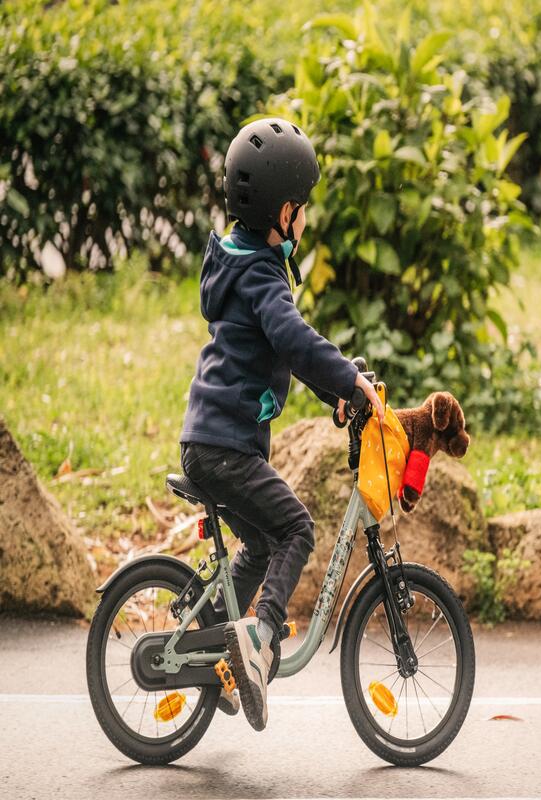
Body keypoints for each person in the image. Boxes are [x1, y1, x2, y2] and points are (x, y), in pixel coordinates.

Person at [178, 117, 384, 732]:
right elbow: (294, 338)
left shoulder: (240, 263)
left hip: (211, 442)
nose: (304, 221)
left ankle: (222, 642)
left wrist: (335, 394)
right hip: (226, 448)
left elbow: (283, 350)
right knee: (296, 528)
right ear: (283, 211)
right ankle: (259, 637)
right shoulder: (265, 277)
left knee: (262, 541)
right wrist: (350, 379)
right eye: (302, 209)